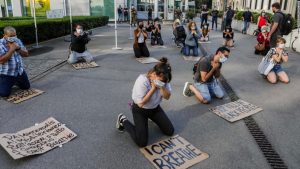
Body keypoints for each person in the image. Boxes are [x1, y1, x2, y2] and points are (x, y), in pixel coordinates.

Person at [116, 57, 174, 147]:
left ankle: (152, 118)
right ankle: (123, 120)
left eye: (164, 81)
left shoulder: (164, 80)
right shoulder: (142, 80)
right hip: (140, 109)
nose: (163, 82)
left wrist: (162, 86)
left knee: (170, 131)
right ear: (154, 74)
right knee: (142, 142)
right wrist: (154, 88)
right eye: (161, 81)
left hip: (154, 108)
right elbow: (141, 103)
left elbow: (167, 97)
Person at [0, 26, 30, 97]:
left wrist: (18, 48)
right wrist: (11, 49)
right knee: (4, 93)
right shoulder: (0, 44)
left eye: (14, 35)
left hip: (19, 71)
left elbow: (26, 54)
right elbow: (1, 61)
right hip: (6, 73)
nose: (13, 38)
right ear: (4, 35)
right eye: (11, 36)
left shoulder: (17, 40)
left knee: (26, 87)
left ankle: (14, 81)